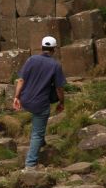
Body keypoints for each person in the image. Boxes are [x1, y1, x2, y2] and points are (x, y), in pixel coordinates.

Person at [13, 35, 66, 170]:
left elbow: (21, 80)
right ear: (54, 49)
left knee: (38, 126)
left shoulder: (32, 59)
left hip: (26, 99)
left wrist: (16, 97)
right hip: (40, 103)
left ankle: (41, 144)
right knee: (37, 132)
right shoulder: (55, 65)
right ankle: (30, 164)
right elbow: (59, 88)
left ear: (41, 47)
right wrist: (61, 102)